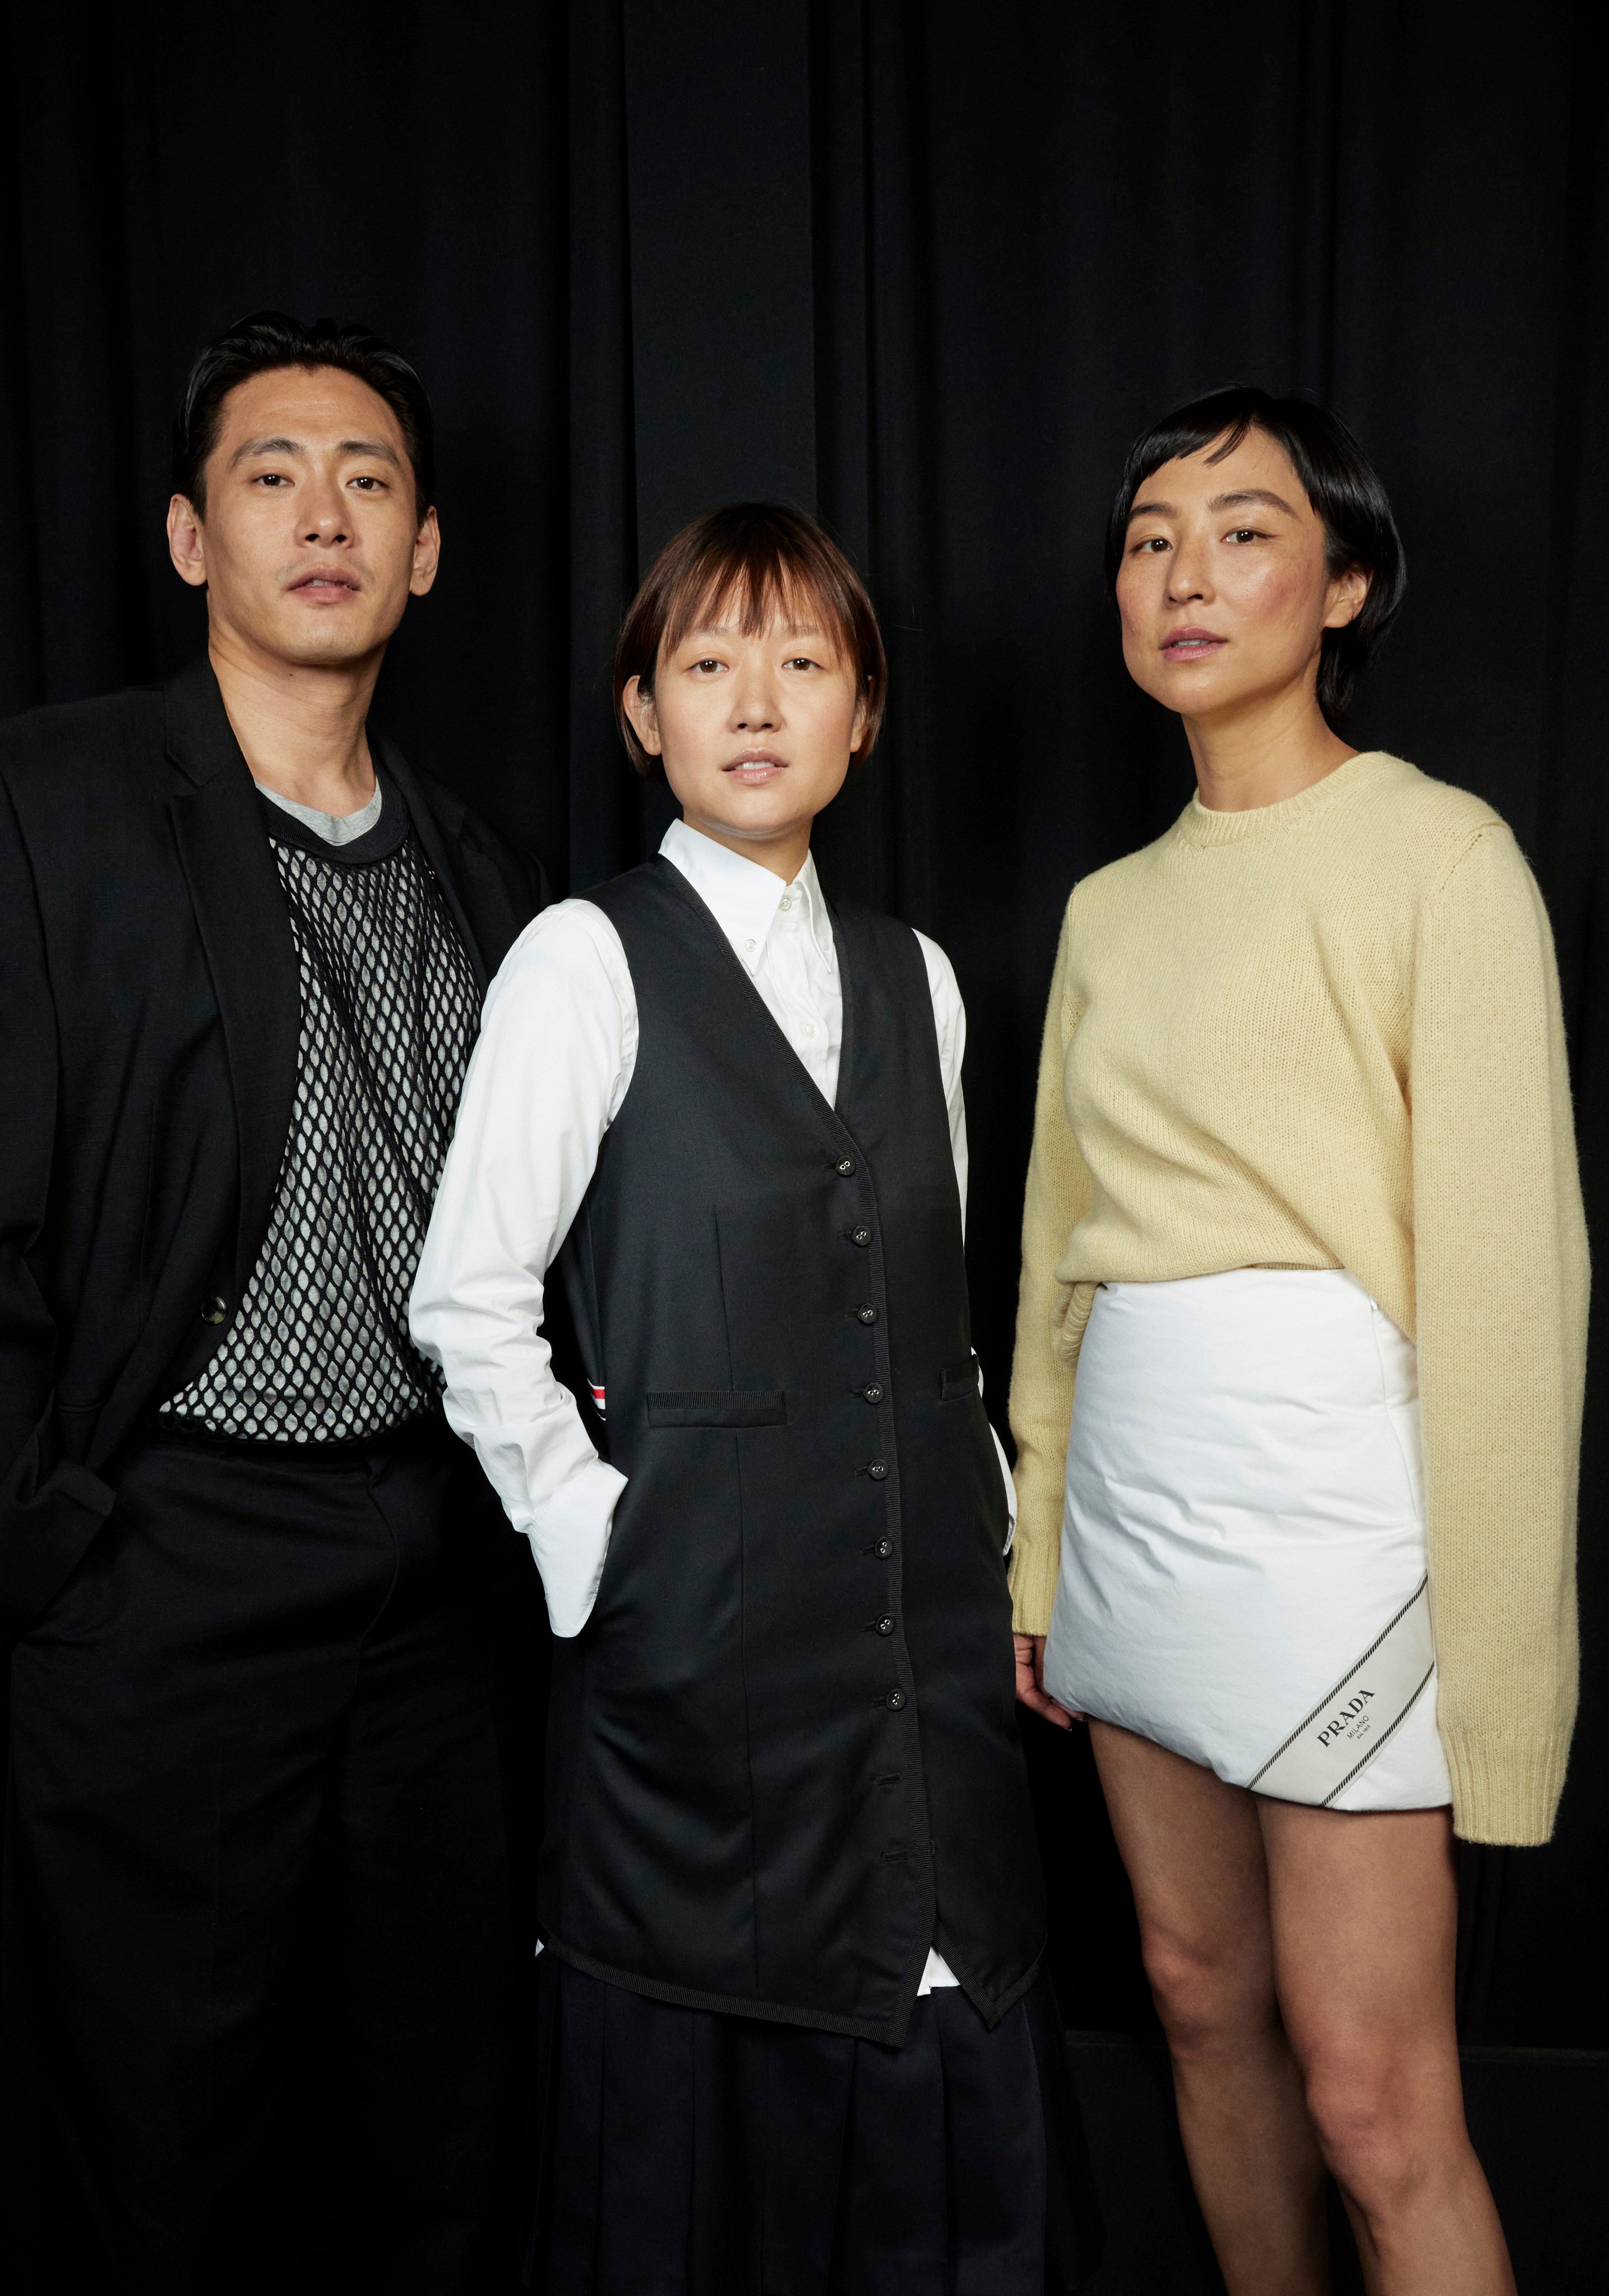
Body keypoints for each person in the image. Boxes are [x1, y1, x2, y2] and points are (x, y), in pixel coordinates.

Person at [0, 311, 550, 2291]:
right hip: (163, 1562)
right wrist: (56, 1549)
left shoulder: (484, 876)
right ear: (190, 536)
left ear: (426, 550)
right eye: (272, 475)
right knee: (157, 2143)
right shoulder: (34, 805)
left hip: (428, 1585)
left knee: (431, 2121)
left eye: (370, 482)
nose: (323, 515)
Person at [412, 502, 1101, 2295]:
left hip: (928, 1647)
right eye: (708, 664)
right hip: (691, 1660)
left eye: (803, 663)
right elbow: (470, 1302)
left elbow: (939, 1321)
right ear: (642, 710)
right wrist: (599, 1544)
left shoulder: (919, 977)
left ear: (863, 714)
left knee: (944, 2056)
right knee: (718, 2113)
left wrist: (1002, 1541)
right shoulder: (584, 957)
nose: (755, 703)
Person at [1007, 385, 1585, 2294]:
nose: (1186, 573)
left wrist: (1507, 1691)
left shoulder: (1447, 860)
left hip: (1344, 1518)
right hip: (1135, 1515)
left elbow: (1515, 1296)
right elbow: (1056, 1261)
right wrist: (1037, 1551)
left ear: (1344, 584)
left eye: (1244, 530)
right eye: (1151, 536)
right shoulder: (1107, 911)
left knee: (1374, 2096)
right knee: (1191, 2000)